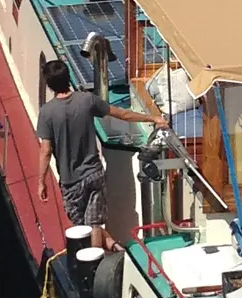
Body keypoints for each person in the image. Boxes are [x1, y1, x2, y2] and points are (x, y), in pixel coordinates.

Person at [36, 59, 165, 250]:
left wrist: (41, 181)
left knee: (83, 226)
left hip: (71, 180)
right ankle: (108, 249)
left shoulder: (47, 113)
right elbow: (122, 114)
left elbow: (46, 151)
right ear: (68, 77)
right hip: (94, 173)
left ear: (49, 85)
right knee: (94, 224)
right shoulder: (86, 100)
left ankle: (96, 260)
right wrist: (153, 118)